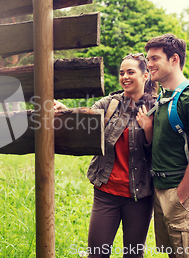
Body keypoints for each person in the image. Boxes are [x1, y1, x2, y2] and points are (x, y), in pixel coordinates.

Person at [55, 53, 157, 258]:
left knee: (133, 255)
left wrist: (148, 130)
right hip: (106, 192)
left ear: (145, 76)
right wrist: (66, 110)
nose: (125, 77)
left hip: (139, 196)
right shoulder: (110, 103)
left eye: (131, 72)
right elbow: (86, 118)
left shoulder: (156, 108)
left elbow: (161, 153)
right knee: (97, 254)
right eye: (122, 73)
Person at [144, 33, 189, 258]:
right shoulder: (164, 98)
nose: (149, 64)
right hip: (163, 193)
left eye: (155, 58)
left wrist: (179, 197)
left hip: (184, 195)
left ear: (174, 59)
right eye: (148, 59)